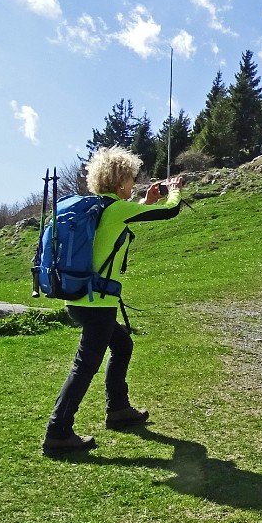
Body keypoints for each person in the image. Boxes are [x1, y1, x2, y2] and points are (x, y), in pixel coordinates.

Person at [43, 146, 185, 457]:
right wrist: (173, 191)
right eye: (132, 179)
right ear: (120, 181)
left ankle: (118, 409)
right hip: (98, 304)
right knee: (85, 366)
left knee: (122, 345)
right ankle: (58, 432)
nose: (134, 184)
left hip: (81, 300)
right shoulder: (118, 209)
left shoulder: (102, 208)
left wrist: (145, 201)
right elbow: (170, 211)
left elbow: (121, 223)